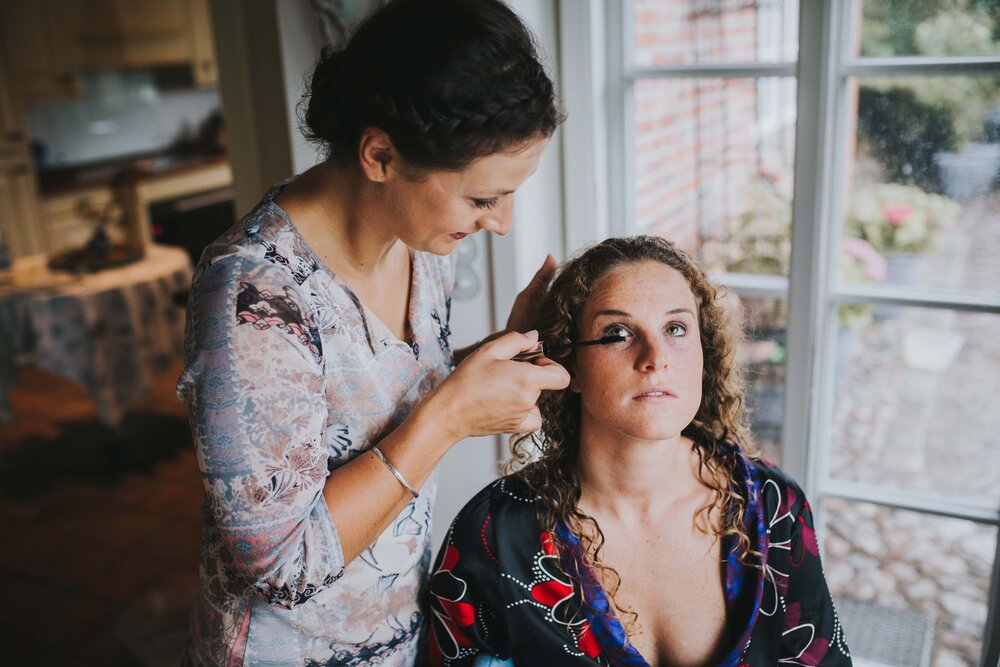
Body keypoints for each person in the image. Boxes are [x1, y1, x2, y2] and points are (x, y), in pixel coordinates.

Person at [176, 1, 570, 664]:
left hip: (391, 633)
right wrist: (451, 417)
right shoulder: (254, 297)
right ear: (381, 153)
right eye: (482, 198)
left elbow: (377, 401)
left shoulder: (415, 245)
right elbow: (280, 566)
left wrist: (490, 360)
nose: (500, 222)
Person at [428, 236, 852, 666]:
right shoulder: (493, 536)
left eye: (676, 329)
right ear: (568, 365)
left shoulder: (774, 505)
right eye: (618, 333)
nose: (656, 358)